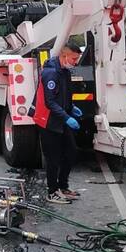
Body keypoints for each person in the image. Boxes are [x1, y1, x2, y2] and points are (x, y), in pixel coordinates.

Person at [34, 44, 83, 205]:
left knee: (71, 152)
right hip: (47, 121)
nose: (76, 62)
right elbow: (49, 102)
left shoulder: (64, 72)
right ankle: (52, 192)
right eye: (74, 59)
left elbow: (65, 96)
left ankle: (63, 186)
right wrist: (66, 117)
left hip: (60, 119)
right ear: (64, 56)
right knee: (53, 158)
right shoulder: (51, 73)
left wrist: (72, 108)